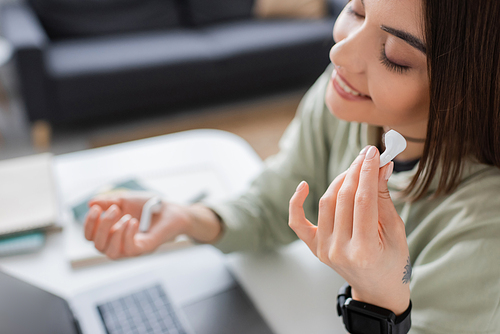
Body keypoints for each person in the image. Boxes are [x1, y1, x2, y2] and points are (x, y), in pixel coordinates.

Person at [84, 0, 500, 332]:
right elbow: (275, 202)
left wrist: (380, 303)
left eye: (394, 56)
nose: (340, 51)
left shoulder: (485, 228)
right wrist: (189, 219)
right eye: (356, 10)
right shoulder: (344, 99)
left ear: (473, 86)